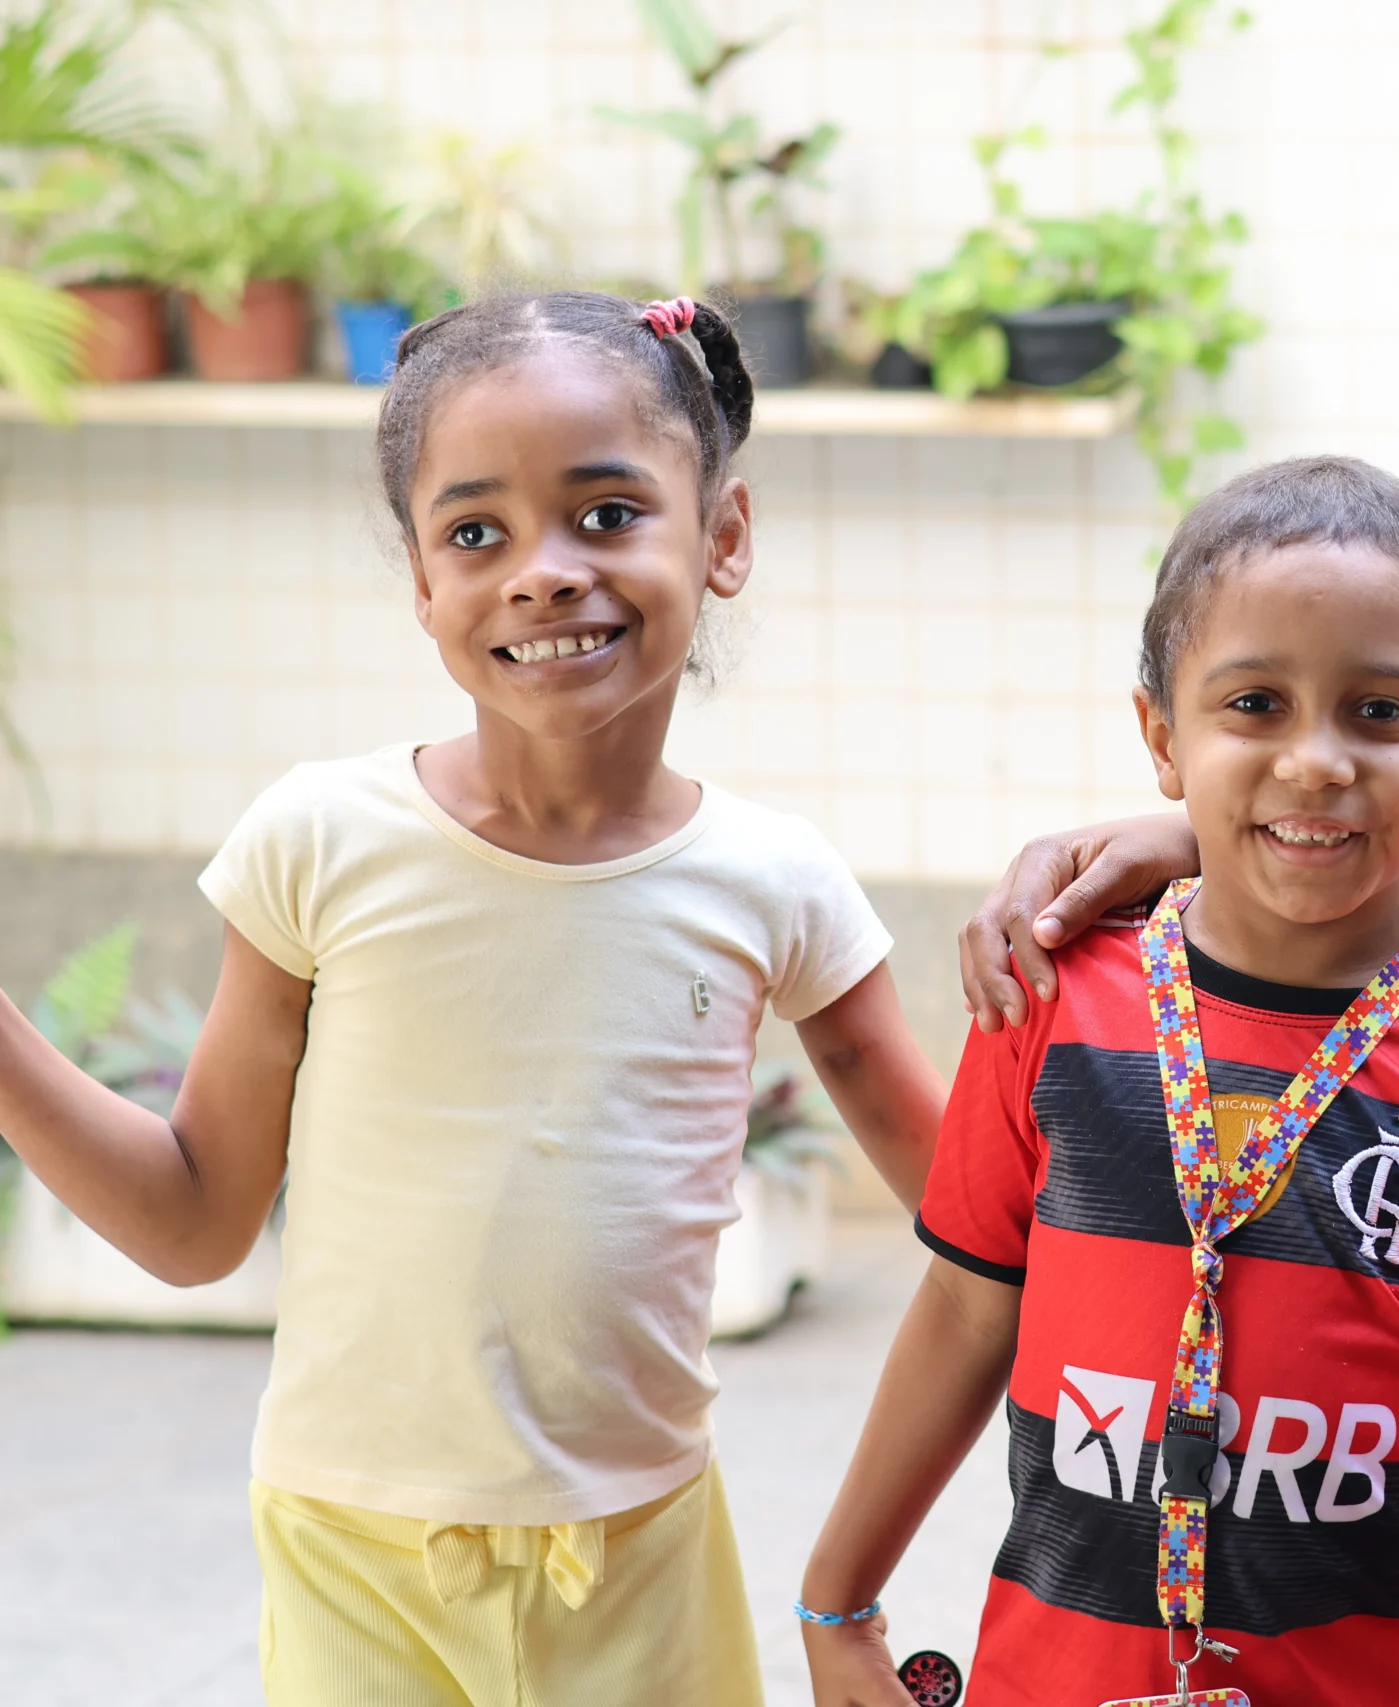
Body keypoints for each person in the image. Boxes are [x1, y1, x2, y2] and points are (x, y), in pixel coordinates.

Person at [0, 292, 947, 1707]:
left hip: (642, 1550)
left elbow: (986, 1221)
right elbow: (195, 1222)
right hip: (351, 1552)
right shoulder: (319, 840)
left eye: (608, 513)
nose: (544, 574)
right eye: (476, 532)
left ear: (724, 535)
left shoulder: (776, 881)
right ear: (421, 580)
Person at [800, 457, 1399, 1707]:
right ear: (1162, 738)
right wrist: (837, 1601)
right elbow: (963, 1310)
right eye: (1255, 705)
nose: (1315, 761)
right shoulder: (1051, 994)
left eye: (1380, 711)